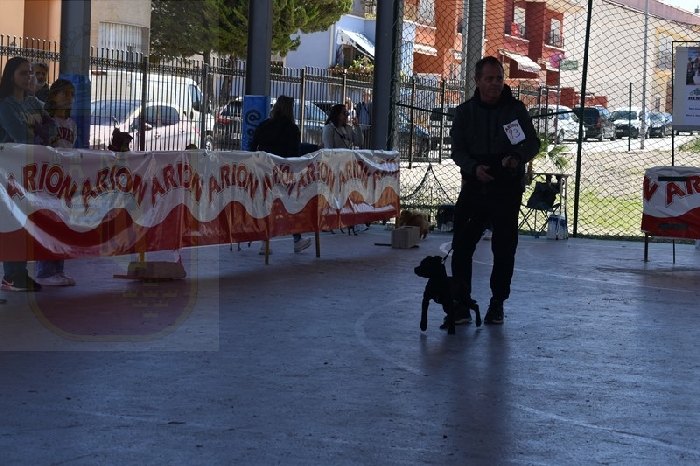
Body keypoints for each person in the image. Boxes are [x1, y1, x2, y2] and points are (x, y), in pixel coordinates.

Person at [449, 56, 540, 326]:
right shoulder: (464, 113)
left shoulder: (515, 110)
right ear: (477, 81)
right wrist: (474, 168)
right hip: (475, 185)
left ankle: (497, 303)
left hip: (506, 188)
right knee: (462, 246)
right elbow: (457, 151)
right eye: (489, 79)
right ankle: (461, 304)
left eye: (499, 78)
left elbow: (532, 143)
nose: (495, 84)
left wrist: (517, 157)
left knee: (504, 249)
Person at [0, 56, 52, 292]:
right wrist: (40, 132)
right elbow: (21, 136)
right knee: (12, 220)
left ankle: (19, 272)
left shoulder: (33, 103)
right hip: (8, 172)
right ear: (11, 76)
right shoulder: (6, 105)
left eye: (31, 72)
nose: (29, 76)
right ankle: (12, 274)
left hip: (30, 171)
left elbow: (52, 127)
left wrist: (42, 131)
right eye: (23, 72)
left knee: (24, 221)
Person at [250, 95, 311, 254]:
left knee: (266, 205)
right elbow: (293, 155)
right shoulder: (292, 129)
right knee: (291, 206)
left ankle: (264, 243)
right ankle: (297, 240)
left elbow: (252, 147)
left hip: (263, 172)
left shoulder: (263, 125)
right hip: (283, 174)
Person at [34, 78, 77, 286]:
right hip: (46, 177)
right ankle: (45, 271)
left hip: (64, 179)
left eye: (72, 95)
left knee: (62, 224)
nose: (69, 98)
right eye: (64, 94)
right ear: (53, 96)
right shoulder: (46, 120)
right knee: (48, 224)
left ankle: (58, 269)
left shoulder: (72, 124)